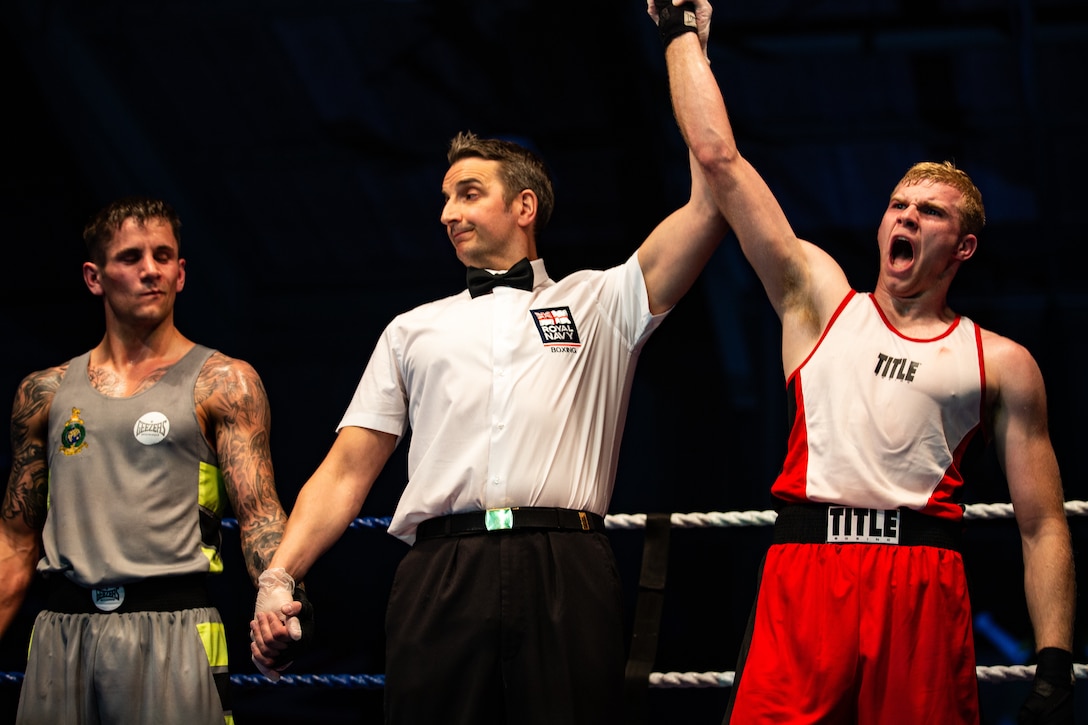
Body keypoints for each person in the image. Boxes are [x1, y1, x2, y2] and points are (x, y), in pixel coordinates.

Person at [648, 1, 1077, 722]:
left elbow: (1042, 523)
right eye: (897, 204)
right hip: (806, 572)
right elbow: (721, 162)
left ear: (962, 246)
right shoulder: (817, 300)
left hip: (924, 583)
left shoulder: (1000, 361)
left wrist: (1055, 658)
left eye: (928, 212)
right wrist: (680, 35)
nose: (905, 217)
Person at [248, 123, 728, 723]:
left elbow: (710, 203)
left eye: (468, 193)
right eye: (445, 199)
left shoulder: (601, 302)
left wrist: (688, 48)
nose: (448, 213)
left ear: (524, 206)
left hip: (566, 566)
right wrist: (279, 577)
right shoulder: (410, 330)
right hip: (441, 573)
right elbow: (346, 470)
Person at [0, 197, 293, 725]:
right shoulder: (41, 393)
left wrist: (279, 597)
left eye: (163, 256)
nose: (150, 269)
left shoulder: (225, 382)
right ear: (94, 277)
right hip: (59, 634)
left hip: (174, 632)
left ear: (181, 274)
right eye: (131, 257)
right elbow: (16, 537)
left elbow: (260, 514)